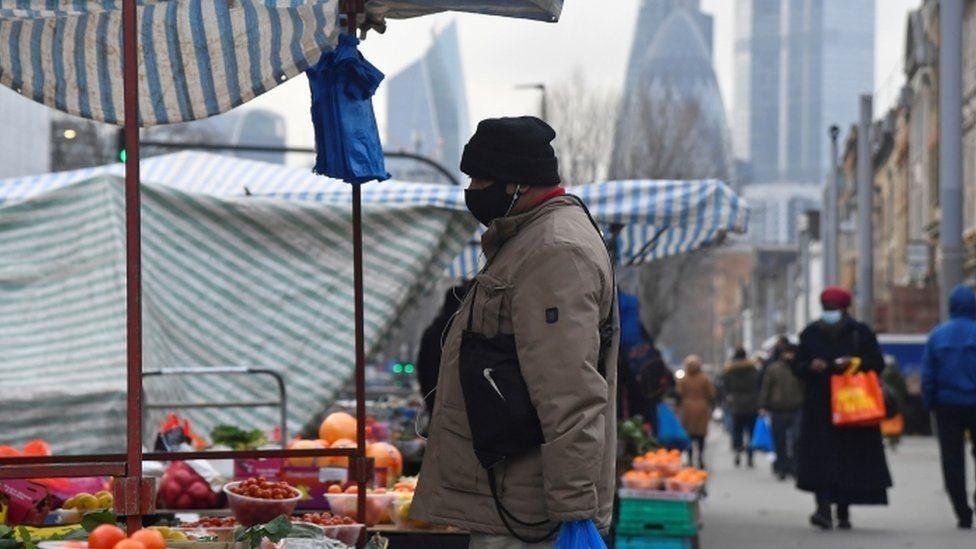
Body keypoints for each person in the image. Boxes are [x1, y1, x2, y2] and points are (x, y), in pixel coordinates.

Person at [411, 117, 618, 548]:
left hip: (528, 511)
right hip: (509, 495)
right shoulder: (528, 240)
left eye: (479, 178)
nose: (471, 189)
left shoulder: (554, 251)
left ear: (516, 185)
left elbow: (569, 391)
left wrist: (574, 511)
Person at [795, 286, 892, 530]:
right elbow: (797, 366)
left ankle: (844, 511)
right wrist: (810, 366)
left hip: (852, 408)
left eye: (833, 309)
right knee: (821, 461)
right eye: (826, 308)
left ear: (844, 309)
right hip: (820, 409)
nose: (830, 312)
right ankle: (823, 508)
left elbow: (877, 363)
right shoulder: (810, 334)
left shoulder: (860, 333)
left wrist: (855, 363)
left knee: (849, 461)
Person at [922, 284, 976, 529]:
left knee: (952, 459)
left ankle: (962, 512)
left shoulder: (937, 335)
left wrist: (929, 402)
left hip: (947, 406)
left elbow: (928, 375)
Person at [415, 283, 470, 415]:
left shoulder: (432, 331)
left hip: (434, 394)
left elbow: (422, 366)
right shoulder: (466, 331)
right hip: (459, 400)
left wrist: (428, 398)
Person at [759, 343, 804, 480]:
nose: (789, 356)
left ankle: (794, 466)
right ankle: (781, 466)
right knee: (780, 440)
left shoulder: (799, 368)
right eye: (787, 353)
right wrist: (763, 405)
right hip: (778, 409)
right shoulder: (773, 369)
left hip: (796, 407)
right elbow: (766, 387)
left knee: (796, 438)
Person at [722, 347, 760, 468]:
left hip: (736, 404)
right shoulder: (753, 369)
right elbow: (758, 385)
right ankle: (750, 455)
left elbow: (725, 387)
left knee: (737, 430)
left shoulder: (730, 371)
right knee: (751, 431)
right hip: (752, 404)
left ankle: (738, 452)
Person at [677, 355, 716, 469]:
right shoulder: (704, 378)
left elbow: (679, 392)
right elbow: (711, 393)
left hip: (687, 408)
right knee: (701, 435)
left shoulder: (684, 379)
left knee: (688, 435)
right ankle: (700, 456)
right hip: (702, 408)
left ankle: (690, 458)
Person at [638, 354, 675, 436]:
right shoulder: (661, 368)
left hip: (645, 399)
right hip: (657, 399)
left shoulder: (644, 367)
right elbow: (672, 384)